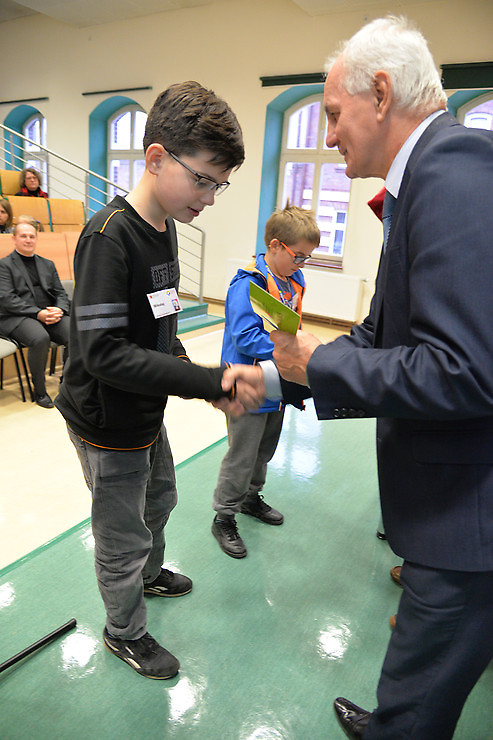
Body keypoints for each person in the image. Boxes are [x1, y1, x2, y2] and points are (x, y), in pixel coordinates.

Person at [265, 14, 493, 740]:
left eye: (334, 113)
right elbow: (383, 335)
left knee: (419, 701)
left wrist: (316, 360)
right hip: (449, 507)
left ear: (382, 93)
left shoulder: (453, 173)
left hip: (468, 522)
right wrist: (280, 380)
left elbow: (464, 370)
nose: (329, 133)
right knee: (414, 682)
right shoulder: (428, 178)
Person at [54, 81, 264, 681]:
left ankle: (149, 576)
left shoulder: (166, 226)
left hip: (145, 410)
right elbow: (103, 354)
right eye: (203, 180)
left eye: (219, 185)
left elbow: (161, 324)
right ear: (155, 158)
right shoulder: (108, 237)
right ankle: (124, 631)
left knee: (160, 498)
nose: (210, 197)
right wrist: (208, 381)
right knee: (121, 535)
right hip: (106, 421)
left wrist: (200, 378)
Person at [212, 203, 319, 558]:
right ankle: (224, 516)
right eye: (297, 256)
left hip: (278, 380)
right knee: (242, 453)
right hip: (248, 382)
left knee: (265, 448)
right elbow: (245, 336)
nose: (301, 264)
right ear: (274, 245)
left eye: (306, 258)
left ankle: (250, 497)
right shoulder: (248, 283)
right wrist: (291, 351)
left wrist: (292, 356)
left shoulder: (293, 279)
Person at [0, 216, 69, 408]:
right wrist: (38, 313)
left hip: (49, 313)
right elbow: (7, 299)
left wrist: (59, 309)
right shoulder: (4, 265)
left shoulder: (47, 264)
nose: (28, 240)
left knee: (75, 333)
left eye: (32, 236)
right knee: (39, 338)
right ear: (14, 239)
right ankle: (39, 391)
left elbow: (60, 293)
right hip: (18, 316)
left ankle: (67, 383)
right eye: (23, 236)